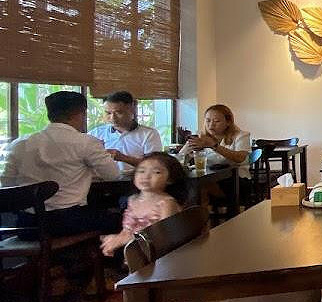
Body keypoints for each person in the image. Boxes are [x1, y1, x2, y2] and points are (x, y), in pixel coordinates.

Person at [3, 91, 122, 236]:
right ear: (80, 114)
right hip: (68, 222)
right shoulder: (86, 142)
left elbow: (7, 184)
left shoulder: (19, 144)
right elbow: (113, 175)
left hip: (27, 226)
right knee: (122, 220)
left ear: (49, 114)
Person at [99, 152, 186, 257]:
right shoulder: (132, 200)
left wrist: (124, 239)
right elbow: (126, 230)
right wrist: (115, 239)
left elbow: (164, 237)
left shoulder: (167, 203)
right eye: (141, 171)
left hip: (161, 258)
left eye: (157, 172)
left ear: (170, 179)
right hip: (136, 256)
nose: (146, 176)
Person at [88, 90, 163, 172]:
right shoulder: (96, 133)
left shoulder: (149, 134)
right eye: (108, 113)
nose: (112, 118)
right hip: (103, 178)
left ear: (132, 110)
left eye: (118, 112)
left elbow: (155, 166)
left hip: (134, 178)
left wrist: (123, 158)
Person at [178, 104, 252, 179]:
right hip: (209, 178)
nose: (211, 125)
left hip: (236, 179)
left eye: (217, 121)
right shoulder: (199, 137)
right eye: (208, 120)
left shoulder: (241, 135)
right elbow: (178, 160)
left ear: (228, 122)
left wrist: (214, 145)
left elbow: (240, 158)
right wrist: (188, 153)